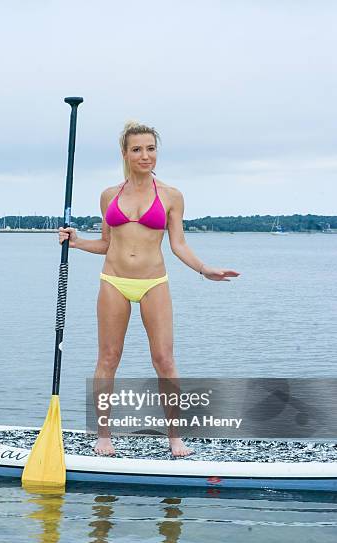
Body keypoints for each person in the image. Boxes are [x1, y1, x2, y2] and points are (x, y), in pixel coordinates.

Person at [59, 121, 240, 456]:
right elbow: (105, 244)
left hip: (154, 282)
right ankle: (104, 435)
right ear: (126, 154)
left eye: (151, 148)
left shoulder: (171, 195)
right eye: (137, 149)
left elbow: (179, 245)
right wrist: (76, 241)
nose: (145, 156)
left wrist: (204, 269)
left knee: (164, 360)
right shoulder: (109, 195)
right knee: (109, 357)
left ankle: (175, 438)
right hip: (113, 280)